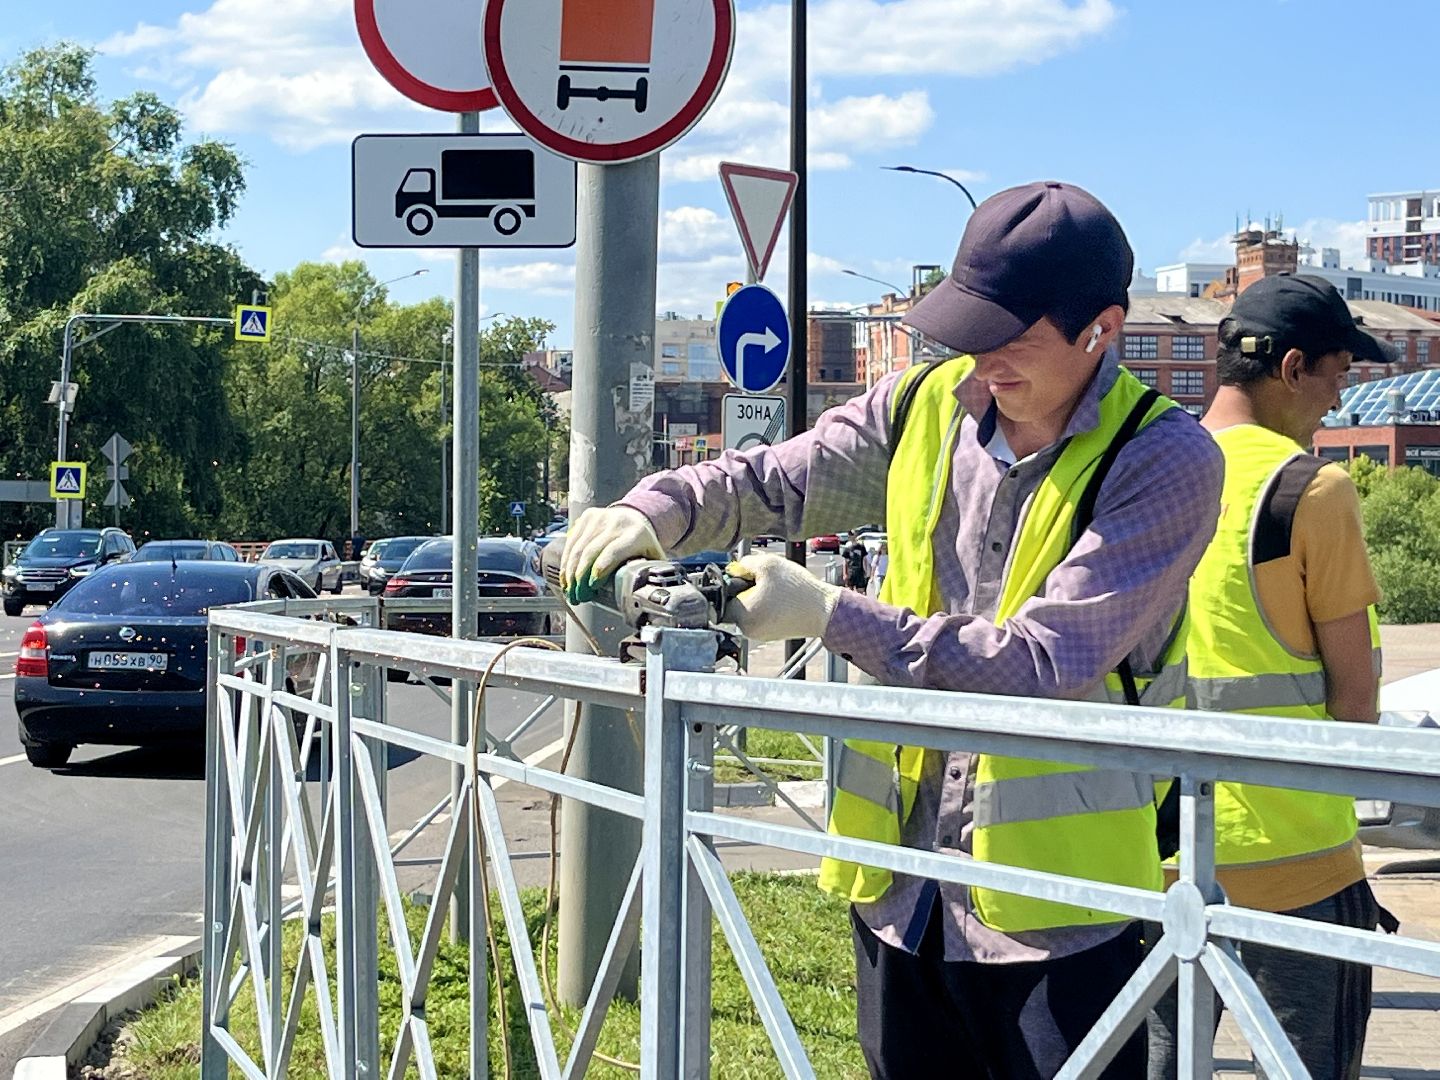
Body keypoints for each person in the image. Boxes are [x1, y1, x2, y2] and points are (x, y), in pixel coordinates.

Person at [561, 181, 1223, 1079]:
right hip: (902, 893)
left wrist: (830, 614)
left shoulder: (1165, 457)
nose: (984, 366)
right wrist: (659, 509)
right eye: (969, 337)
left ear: (1101, 329)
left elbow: (1041, 663)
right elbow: (775, 482)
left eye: (1012, 342)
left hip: (1059, 917)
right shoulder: (924, 405)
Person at [1147, 275, 1393, 1080]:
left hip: (1162, 853)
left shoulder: (1145, 475)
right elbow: (1356, 703)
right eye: (1338, 375)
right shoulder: (1310, 489)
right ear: (1292, 369)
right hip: (1300, 859)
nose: (1338, 399)